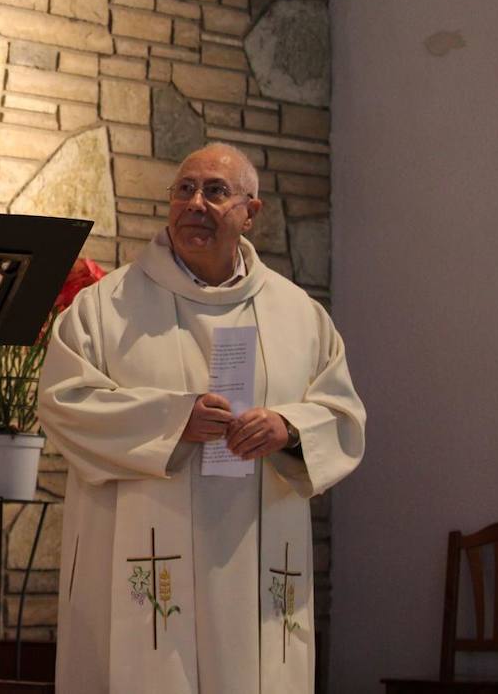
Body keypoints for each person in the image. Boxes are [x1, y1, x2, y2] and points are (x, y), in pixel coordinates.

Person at [38, 143, 366, 694]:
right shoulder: (104, 307)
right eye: (184, 190)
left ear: (250, 212)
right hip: (142, 552)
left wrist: (289, 429)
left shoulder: (300, 315)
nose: (195, 203)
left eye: (215, 191)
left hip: (255, 556)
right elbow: (63, 402)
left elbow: (343, 415)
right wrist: (173, 421)